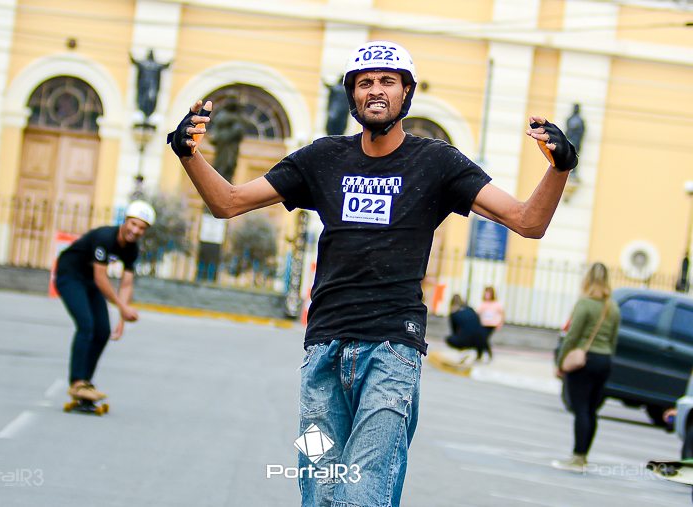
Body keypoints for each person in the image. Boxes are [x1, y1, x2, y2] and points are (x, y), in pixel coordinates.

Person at [167, 40, 577, 506]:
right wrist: (188, 154)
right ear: (352, 95)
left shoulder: (437, 163)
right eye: (364, 83)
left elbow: (527, 221)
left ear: (406, 93)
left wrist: (560, 168)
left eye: (387, 81)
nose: (375, 90)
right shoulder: (322, 159)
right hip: (321, 354)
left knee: (363, 492)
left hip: (391, 355)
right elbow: (228, 202)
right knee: (317, 487)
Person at [55, 200, 155, 402]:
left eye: (142, 228)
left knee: (102, 331)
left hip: (89, 281)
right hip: (70, 275)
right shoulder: (105, 237)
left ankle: (86, 382)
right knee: (86, 325)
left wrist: (122, 318)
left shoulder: (132, 249)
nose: (136, 231)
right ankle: (77, 382)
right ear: (125, 221)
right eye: (133, 224)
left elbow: (126, 284)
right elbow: (101, 278)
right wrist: (122, 307)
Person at [552, 262, 620, 473]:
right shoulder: (613, 307)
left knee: (580, 409)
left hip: (584, 360)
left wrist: (561, 363)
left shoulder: (585, 304)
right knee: (591, 410)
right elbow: (613, 340)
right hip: (604, 361)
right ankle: (584, 457)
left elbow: (572, 336)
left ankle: (577, 458)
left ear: (587, 279)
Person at [445, 294, 488, 362]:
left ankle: (464, 350)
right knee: (476, 334)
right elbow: (478, 322)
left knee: (449, 339)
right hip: (480, 339)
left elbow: (454, 331)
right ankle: (478, 354)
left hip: (466, 341)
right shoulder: (470, 309)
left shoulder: (454, 314)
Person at [477, 285, 505, 361]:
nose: (487, 295)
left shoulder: (496, 304)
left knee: (483, 339)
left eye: (489, 294)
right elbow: (478, 313)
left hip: (491, 325)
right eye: (486, 293)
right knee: (479, 339)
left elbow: (502, 314)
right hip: (483, 324)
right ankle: (479, 355)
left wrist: (500, 323)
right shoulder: (483, 303)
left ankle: (489, 353)